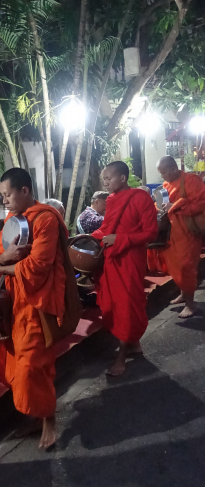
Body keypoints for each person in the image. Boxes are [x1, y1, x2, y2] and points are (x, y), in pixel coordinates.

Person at [0, 168, 69, 450]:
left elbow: (37, 268)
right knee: (18, 363)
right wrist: (2, 260)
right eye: (2, 196)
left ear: (24, 191)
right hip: (15, 305)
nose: (4, 201)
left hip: (38, 305)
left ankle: (49, 419)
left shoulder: (46, 219)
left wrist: (2, 265)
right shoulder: (13, 222)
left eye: (7, 194)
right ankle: (35, 416)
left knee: (34, 367)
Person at [91, 161, 158, 376]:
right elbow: (107, 228)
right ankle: (134, 344)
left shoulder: (141, 198)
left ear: (122, 178)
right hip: (112, 259)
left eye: (109, 178)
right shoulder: (111, 200)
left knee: (128, 305)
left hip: (130, 259)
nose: (106, 182)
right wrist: (88, 238)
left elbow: (150, 233)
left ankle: (121, 357)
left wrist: (120, 239)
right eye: (104, 179)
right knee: (115, 303)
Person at [157, 156, 205, 318]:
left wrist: (175, 206)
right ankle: (184, 294)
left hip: (188, 232)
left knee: (186, 266)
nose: (163, 176)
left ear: (173, 169)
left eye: (164, 172)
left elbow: (200, 204)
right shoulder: (166, 185)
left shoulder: (191, 181)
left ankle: (191, 305)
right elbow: (164, 207)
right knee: (175, 266)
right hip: (172, 233)